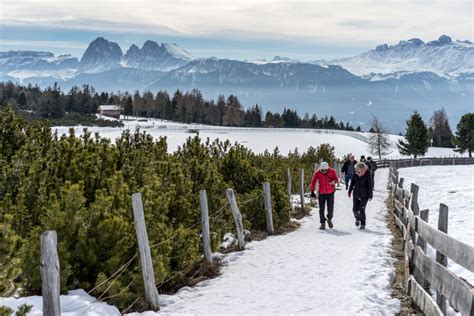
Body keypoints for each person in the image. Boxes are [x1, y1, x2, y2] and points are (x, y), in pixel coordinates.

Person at [309, 161, 339, 230]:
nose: (324, 171)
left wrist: (333, 182)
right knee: (321, 209)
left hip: (330, 192)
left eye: (326, 170)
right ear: (320, 169)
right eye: (323, 170)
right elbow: (313, 181)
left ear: (328, 168)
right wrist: (312, 191)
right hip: (321, 193)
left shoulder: (332, 171)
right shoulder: (317, 172)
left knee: (330, 209)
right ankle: (322, 223)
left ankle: (329, 219)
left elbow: (336, 179)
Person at [348, 162, 373, 230]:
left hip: (365, 194)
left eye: (358, 172)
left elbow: (370, 185)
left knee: (361, 209)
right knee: (355, 210)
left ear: (363, 170)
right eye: (356, 171)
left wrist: (370, 195)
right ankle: (358, 218)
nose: (357, 173)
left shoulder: (368, 174)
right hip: (356, 193)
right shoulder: (355, 174)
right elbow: (352, 183)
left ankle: (363, 223)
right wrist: (349, 191)